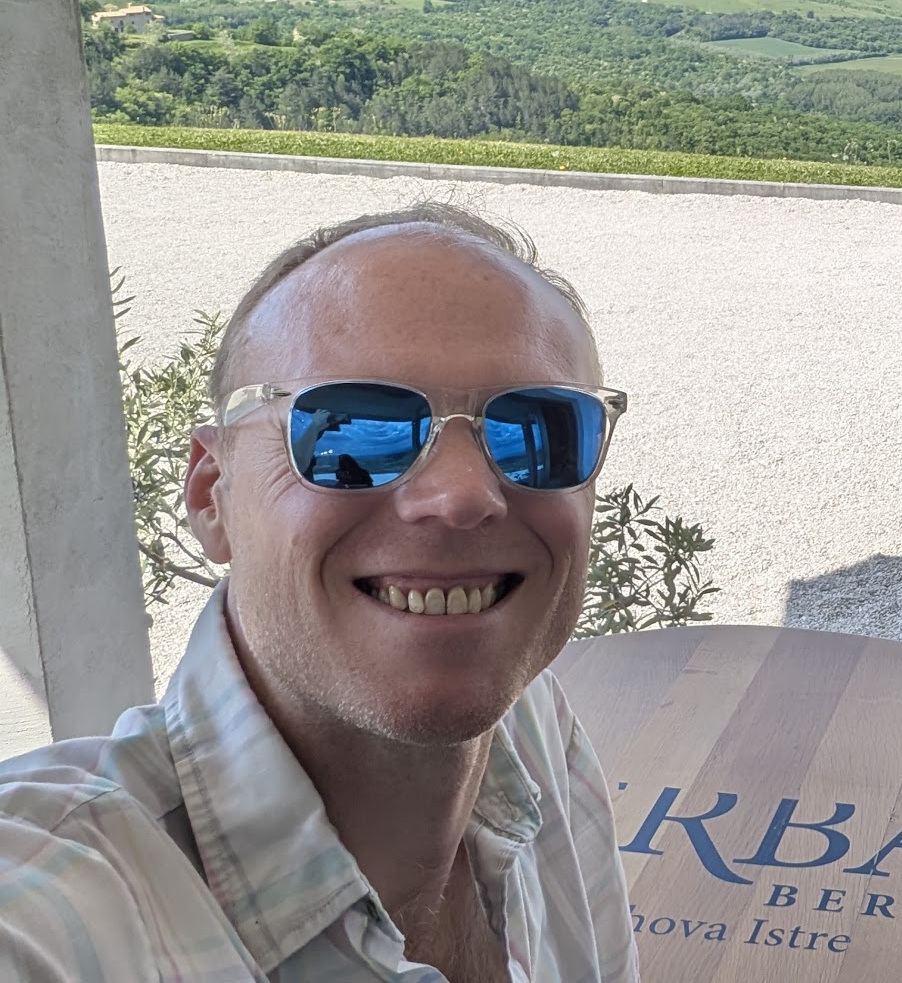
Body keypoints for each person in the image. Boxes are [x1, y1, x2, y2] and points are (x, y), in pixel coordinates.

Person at [0, 204, 640, 981]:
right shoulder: (47, 917)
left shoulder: (536, 730)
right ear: (211, 496)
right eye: (351, 430)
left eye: (540, 432)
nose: (462, 495)